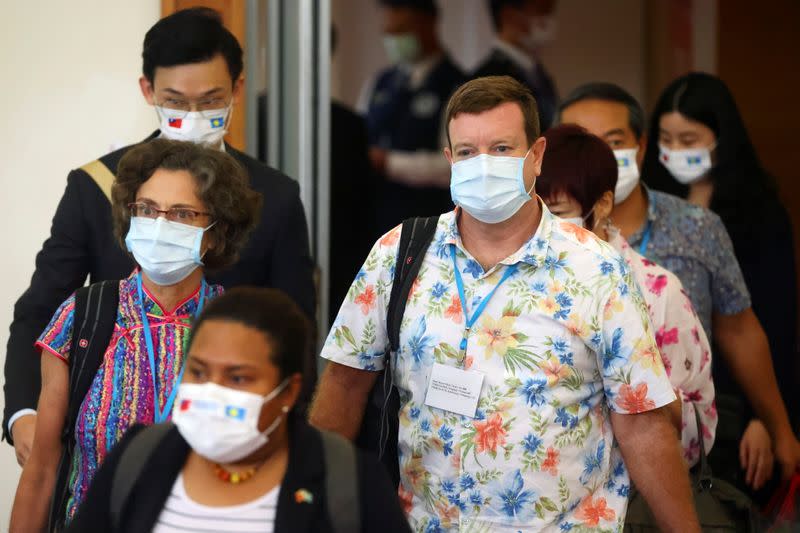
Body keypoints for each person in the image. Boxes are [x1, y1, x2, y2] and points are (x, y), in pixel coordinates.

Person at [311, 76, 700, 532]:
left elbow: (643, 425)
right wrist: (309, 503)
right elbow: (344, 384)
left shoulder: (598, 270)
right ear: (449, 160)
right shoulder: (398, 254)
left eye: (501, 149)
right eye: (468, 152)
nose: (483, 165)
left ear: (536, 156)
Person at [4, 7, 317, 469]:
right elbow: (40, 310)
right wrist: (24, 415)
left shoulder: (273, 195)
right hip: (107, 441)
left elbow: (299, 330)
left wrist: (283, 431)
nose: (192, 117)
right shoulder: (98, 185)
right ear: (147, 90)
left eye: (210, 100)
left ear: (236, 89)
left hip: (229, 436)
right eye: (175, 100)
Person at [558, 81, 800, 490]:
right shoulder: (540, 236)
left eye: (612, 141)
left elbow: (739, 329)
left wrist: (776, 425)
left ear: (640, 145)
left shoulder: (697, 226)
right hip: (573, 456)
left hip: (678, 438)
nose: (599, 157)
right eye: (583, 143)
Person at [9, 139, 261, 531]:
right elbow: (42, 470)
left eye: (181, 213)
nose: (160, 225)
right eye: (147, 209)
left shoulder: (243, 330)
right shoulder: (83, 317)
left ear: (214, 232)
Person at [62, 287, 411, 533]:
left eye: (238, 377)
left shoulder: (348, 481)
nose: (212, 390)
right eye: (198, 371)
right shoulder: (139, 458)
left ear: (287, 391)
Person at [642, 72, 799, 499]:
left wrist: (761, 419)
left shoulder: (759, 212)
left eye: (689, 140)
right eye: (666, 139)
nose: (675, 151)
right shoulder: (647, 202)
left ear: (720, 140)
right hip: (660, 398)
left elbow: (773, 323)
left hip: (732, 401)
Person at [537, 124, 716, 467]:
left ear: (602, 204)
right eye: (534, 211)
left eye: (557, 214)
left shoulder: (656, 290)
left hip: (632, 493)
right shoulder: (520, 280)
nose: (543, 227)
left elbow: (697, 424)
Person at [358, 0, 465, 232]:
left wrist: (388, 163)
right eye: (389, 32)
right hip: (377, 221)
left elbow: (453, 165)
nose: (393, 39)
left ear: (429, 23)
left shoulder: (454, 85)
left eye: (402, 30)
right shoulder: (380, 83)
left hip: (427, 221)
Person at [473, 0, 559, 130]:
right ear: (509, 14)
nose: (548, 20)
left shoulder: (535, 70)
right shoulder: (490, 76)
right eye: (542, 11)